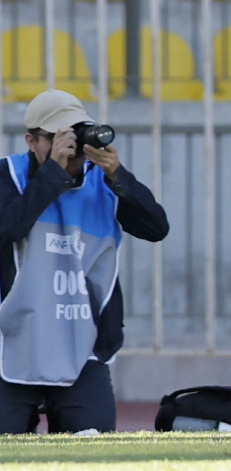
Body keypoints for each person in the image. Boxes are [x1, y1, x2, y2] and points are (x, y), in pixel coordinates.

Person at [0, 90, 168, 433]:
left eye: (77, 133)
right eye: (58, 136)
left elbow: (156, 228)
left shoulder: (103, 181)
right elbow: (10, 227)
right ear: (32, 141)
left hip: (82, 346)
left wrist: (119, 176)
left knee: (91, 439)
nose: (71, 145)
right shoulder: (8, 176)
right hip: (11, 342)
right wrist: (53, 174)